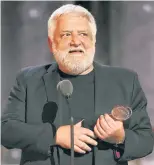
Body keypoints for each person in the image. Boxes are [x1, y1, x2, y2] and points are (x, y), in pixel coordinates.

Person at [1, 4, 154, 165]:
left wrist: (120, 137)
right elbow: (6, 131)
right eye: (66, 34)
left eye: (83, 34)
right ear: (51, 43)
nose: (76, 41)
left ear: (93, 41)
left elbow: (146, 141)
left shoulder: (125, 81)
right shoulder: (29, 80)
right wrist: (56, 135)